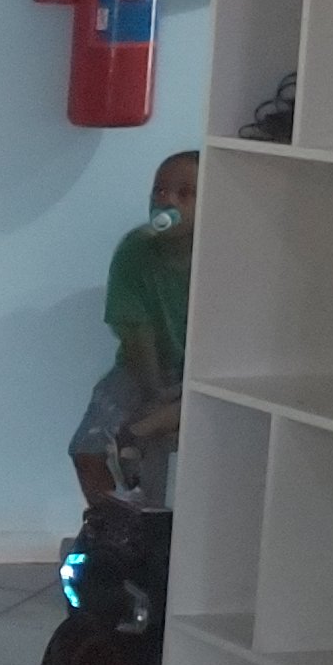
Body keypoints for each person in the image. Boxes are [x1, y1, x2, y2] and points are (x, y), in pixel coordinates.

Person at [75, 151, 197, 508]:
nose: (167, 201)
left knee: (148, 437)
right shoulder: (135, 252)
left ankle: (155, 521)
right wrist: (154, 394)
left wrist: (161, 413)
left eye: (184, 193)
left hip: (200, 377)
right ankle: (110, 527)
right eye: (159, 191)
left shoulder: (224, 258)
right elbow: (136, 336)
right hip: (142, 369)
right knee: (88, 447)